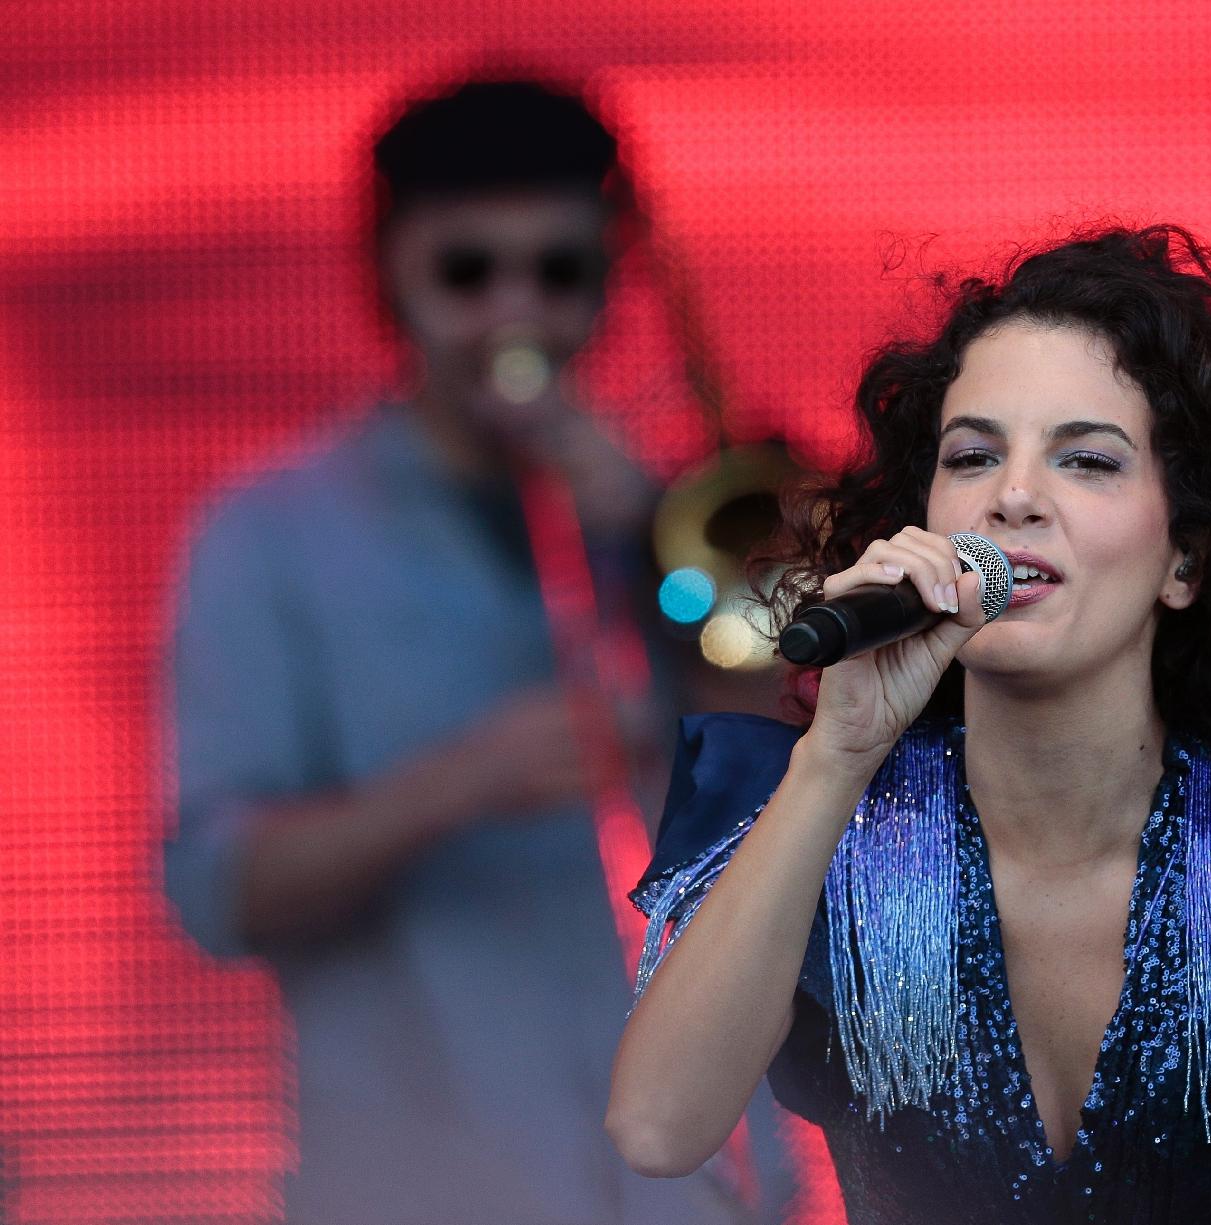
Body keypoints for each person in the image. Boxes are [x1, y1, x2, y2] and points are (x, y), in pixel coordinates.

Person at [604, 226, 1211, 1223]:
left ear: (1185, 561)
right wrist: (837, 753)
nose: (1015, 495)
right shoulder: (823, 829)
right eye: (974, 455)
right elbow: (660, 1127)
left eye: (1087, 461)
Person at [163, 78, 785, 1224]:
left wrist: (657, 552)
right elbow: (216, 891)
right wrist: (455, 785)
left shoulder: (678, 520)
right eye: (466, 274)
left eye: (561, 273)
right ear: (386, 275)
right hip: (422, 1181)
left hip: (707, 1187)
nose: (517, 316)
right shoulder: (264, 537)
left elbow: (809, 800)